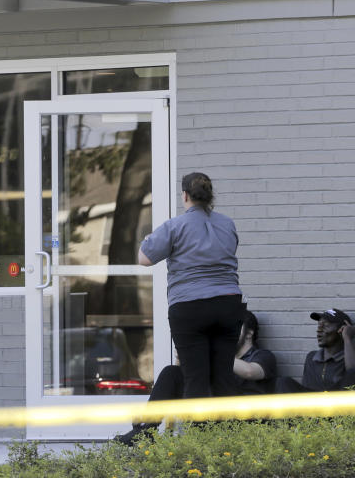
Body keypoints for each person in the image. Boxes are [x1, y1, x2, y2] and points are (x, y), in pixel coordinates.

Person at [138, 172, 246, 400]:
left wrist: (148, 238)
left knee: (195, 378)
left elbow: (145, 258)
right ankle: (226, 434)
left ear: (185, 195)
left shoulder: (175, 226)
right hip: (228, 303)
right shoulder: (227, 223)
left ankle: (199, 436)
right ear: (210, 195)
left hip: (190, 307)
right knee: (224, 377)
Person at [113, 311, 276, 445]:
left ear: (249, 333)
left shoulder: (263, 356)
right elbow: (181, 379)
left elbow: (250, 372)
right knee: (172, 372)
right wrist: (185, 357)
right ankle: (145, 430)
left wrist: (214, 353)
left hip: (240, 421)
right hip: (209, 416)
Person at [276, 308, 355, 392]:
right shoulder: (311, 357)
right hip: (313, 405)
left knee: (354, 373)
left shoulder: (353, 360)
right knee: (284, 382)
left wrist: (347, 337)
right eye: (319, 325)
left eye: (325, 326)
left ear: (341, 330)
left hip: (337, 405)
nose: (319, 330)